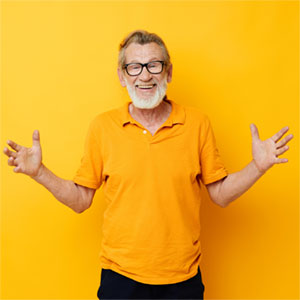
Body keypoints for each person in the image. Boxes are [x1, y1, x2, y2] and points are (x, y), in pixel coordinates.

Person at [3, 30, 293, 300]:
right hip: (121, 279)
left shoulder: (197, 124)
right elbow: (80, 200)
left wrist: (259, 165)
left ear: (168, 72)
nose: (145, 75)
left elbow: (220, 194)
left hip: (183, 280)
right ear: (121, 75)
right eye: (135, 67)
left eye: (154, 65)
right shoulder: (103, 127)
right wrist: (39, 172)